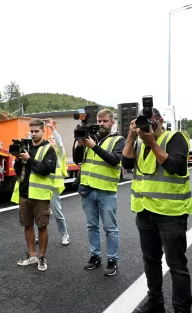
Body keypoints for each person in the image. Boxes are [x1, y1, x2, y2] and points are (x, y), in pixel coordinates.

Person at [122, 108, 192, 313]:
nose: (146, 126)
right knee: (151, 260)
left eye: (150, 122)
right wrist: (130, 136)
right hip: (145, 211)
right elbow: (126, 164)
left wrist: (152, 142)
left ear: (160, 121)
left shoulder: (175, 138)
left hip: (171, 212)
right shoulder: (136, 142)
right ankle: (155, 302)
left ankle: (181, 309)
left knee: (176, 265)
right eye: (141, 123)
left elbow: (176, 167)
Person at [73, 109, 124, 276]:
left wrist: (93, 146)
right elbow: (78, 160)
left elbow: (114, 160)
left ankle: (112, 259)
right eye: (99, 121)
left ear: (112, 123)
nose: (101, 124)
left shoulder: (118, 140)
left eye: (105, 121)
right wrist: (80, 145)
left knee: (110, 228)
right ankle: (95, 256)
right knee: (91, 226)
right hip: (88, 190)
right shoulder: (90, 137)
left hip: (106, 191)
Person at [12, 118, 57, 272]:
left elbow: (45, 169)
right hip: (24, 194)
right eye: (32, 131)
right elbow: (19, 171)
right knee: (27, 225)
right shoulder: (26, 147)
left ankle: (42, 257)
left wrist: (29, 159)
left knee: (42, 226)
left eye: (36, 131)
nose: (34, 134)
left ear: (43, 131)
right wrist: (18, 160)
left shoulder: (48, 149)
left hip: (41, 195)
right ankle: (32, 255)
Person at [46, 118, 70, 246]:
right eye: (49, 139)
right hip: (43, 186)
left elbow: (60, 144)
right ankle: (38, 236)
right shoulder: (44, 151)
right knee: (38, 213)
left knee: (57, 213)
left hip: (54, 186)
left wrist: (52, 129)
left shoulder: (59, 152)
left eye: (52, 139)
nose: (51, 140)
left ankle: (65, 234)